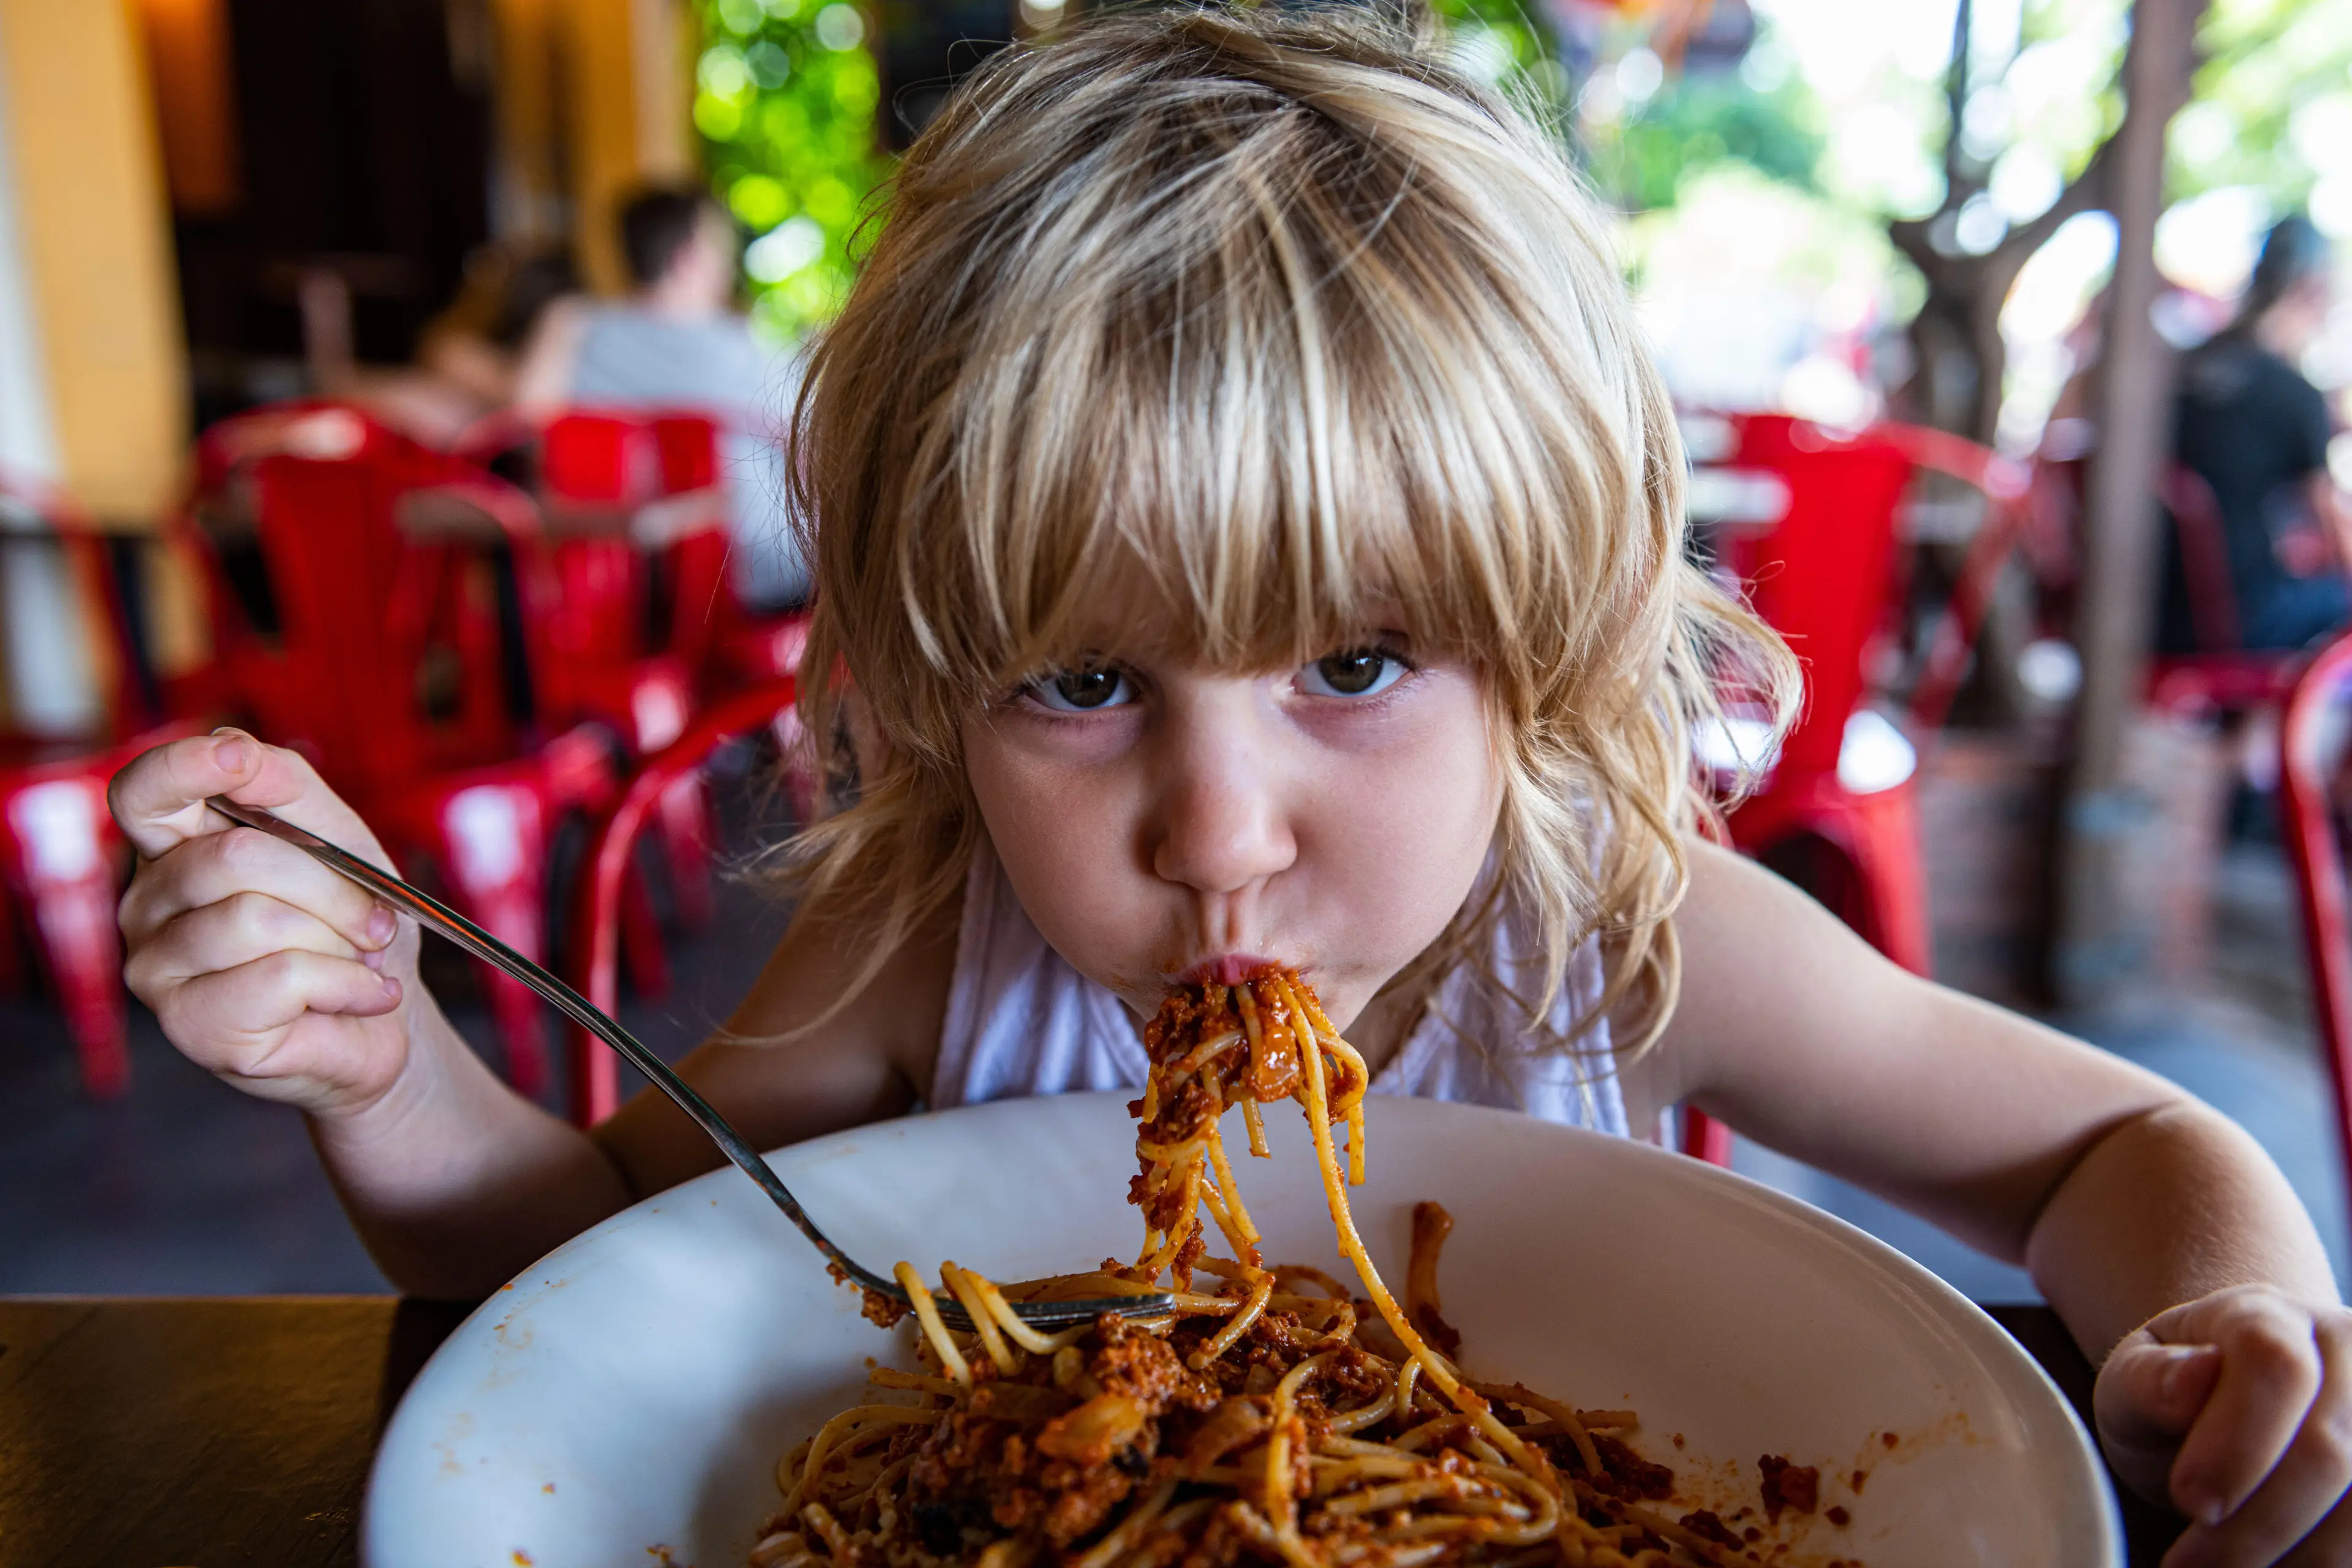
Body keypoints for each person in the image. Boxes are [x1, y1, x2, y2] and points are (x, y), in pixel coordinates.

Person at [112, 9, 2350, 1560]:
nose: (1218, 823)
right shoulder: (925, 935)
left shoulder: (1624, 929)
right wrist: (383, 1059)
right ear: (928, 688)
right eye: (1079, 681)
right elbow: (596, 1272)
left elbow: (2118, 1140)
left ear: (1542, 652)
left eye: (1353, 662)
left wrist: (2234, 1318)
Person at [514, 184, 809, 611]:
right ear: (688, 256)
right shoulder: (754, 348)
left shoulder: (578, 331)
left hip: (620, 589)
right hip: (760, 580)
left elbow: (524, 423)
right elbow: (822, 455)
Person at [2162, 214, 2348, 654]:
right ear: (2313, 287)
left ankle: (2244, 725)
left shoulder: (2180, 370)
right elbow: (2334, 525)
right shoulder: (2292, 392)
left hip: (2144, 609)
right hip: (2238, 621)